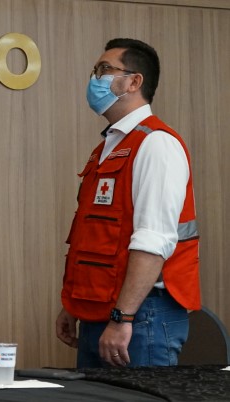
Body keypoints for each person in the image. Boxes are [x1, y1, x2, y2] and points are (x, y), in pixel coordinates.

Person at [56, 38, 200, 368]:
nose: (94, 79)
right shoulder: (108, 147)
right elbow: (95, 236)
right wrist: (74, 305)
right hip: (103, 311)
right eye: (95, 71)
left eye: (104, 70)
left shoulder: (156, 144)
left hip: (141, 316)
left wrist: (123, 317)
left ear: (134, 82)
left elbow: (153, 240)